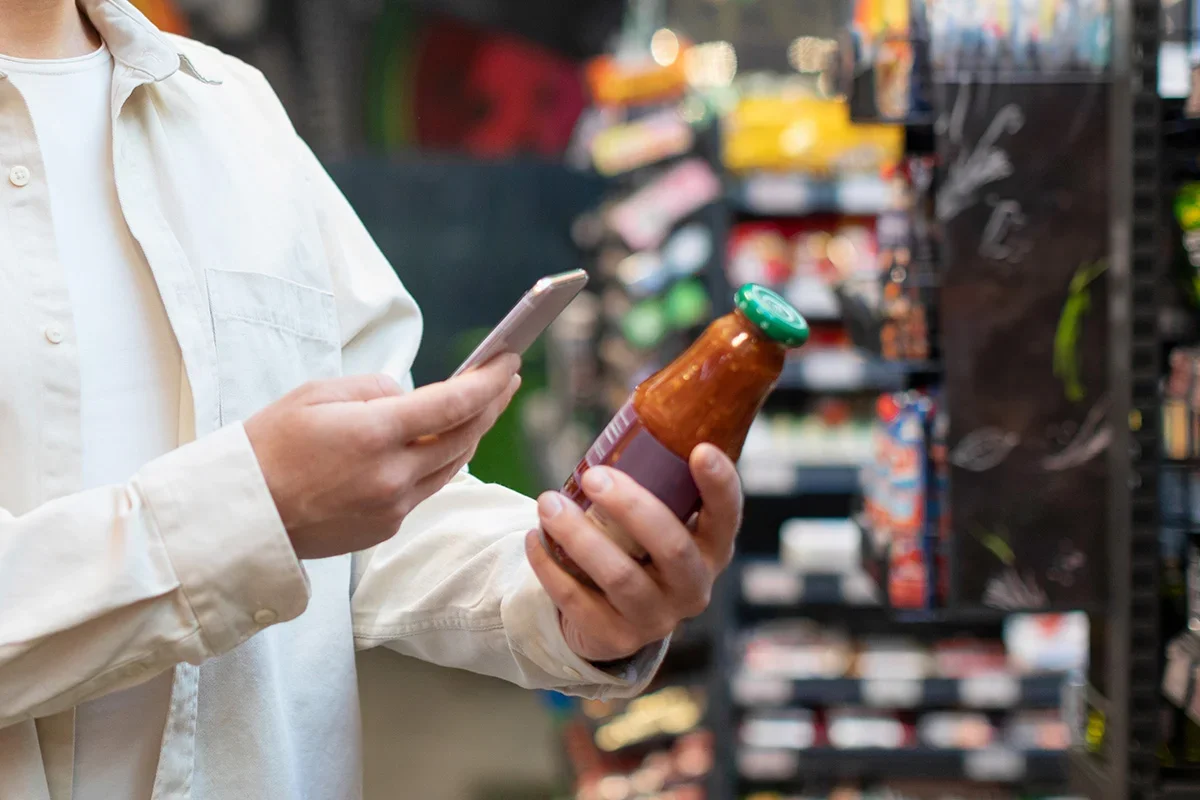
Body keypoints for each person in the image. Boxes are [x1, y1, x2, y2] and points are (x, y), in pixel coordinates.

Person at [0, 2, 744, 799]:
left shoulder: (231, 113)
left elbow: (371, 511)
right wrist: (257, 509)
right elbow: (286, 506)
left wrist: (566, 590)